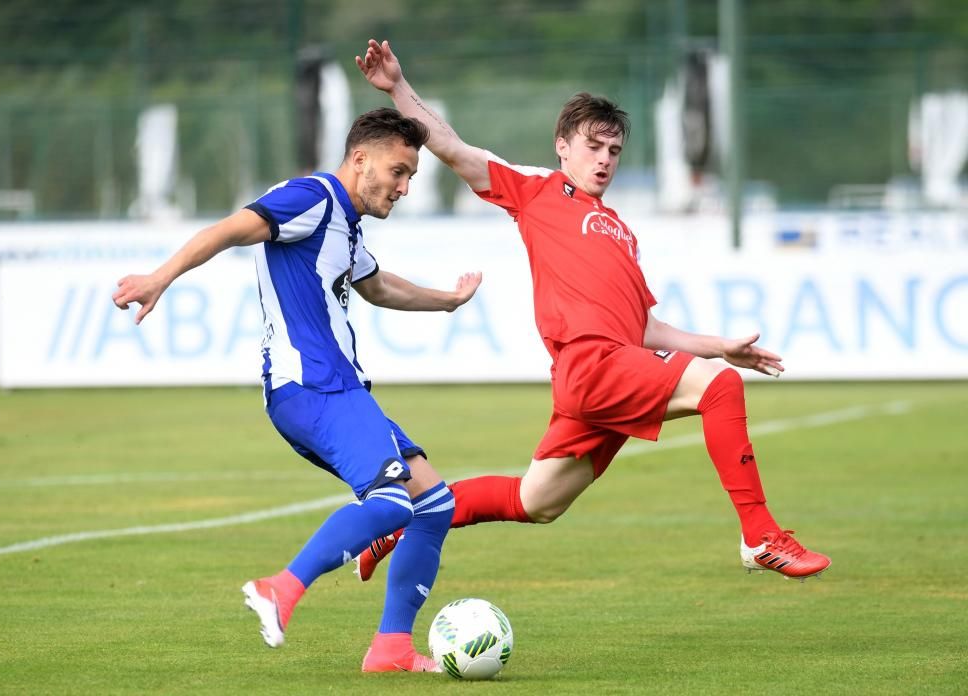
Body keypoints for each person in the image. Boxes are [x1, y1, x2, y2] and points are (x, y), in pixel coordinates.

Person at [351, 39, 831, 584]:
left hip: (611, 368)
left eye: (614, 150)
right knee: (719, 390)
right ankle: (761, 535)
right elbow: (452, 146)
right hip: (590, 364)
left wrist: (720, 346)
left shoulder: (622, 231)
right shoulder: (536, 191)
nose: (604, 158)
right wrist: (397, 86)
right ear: (563, 146)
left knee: (534, 501)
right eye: (593, 145)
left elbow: (645, 327)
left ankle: (398, 524)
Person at [112, 107, 483, 672]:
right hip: (314, 385)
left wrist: (447, 300)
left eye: (410, 176)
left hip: (335, 389)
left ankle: (391, 648)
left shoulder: (347, 221)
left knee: (432, 504)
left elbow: (378, 286)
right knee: (388, 503)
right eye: (399, 171)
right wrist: (159, 277)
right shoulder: (311, 196)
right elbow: (229, 230)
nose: (405, 187)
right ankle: (279, 588)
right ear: (360, 160)